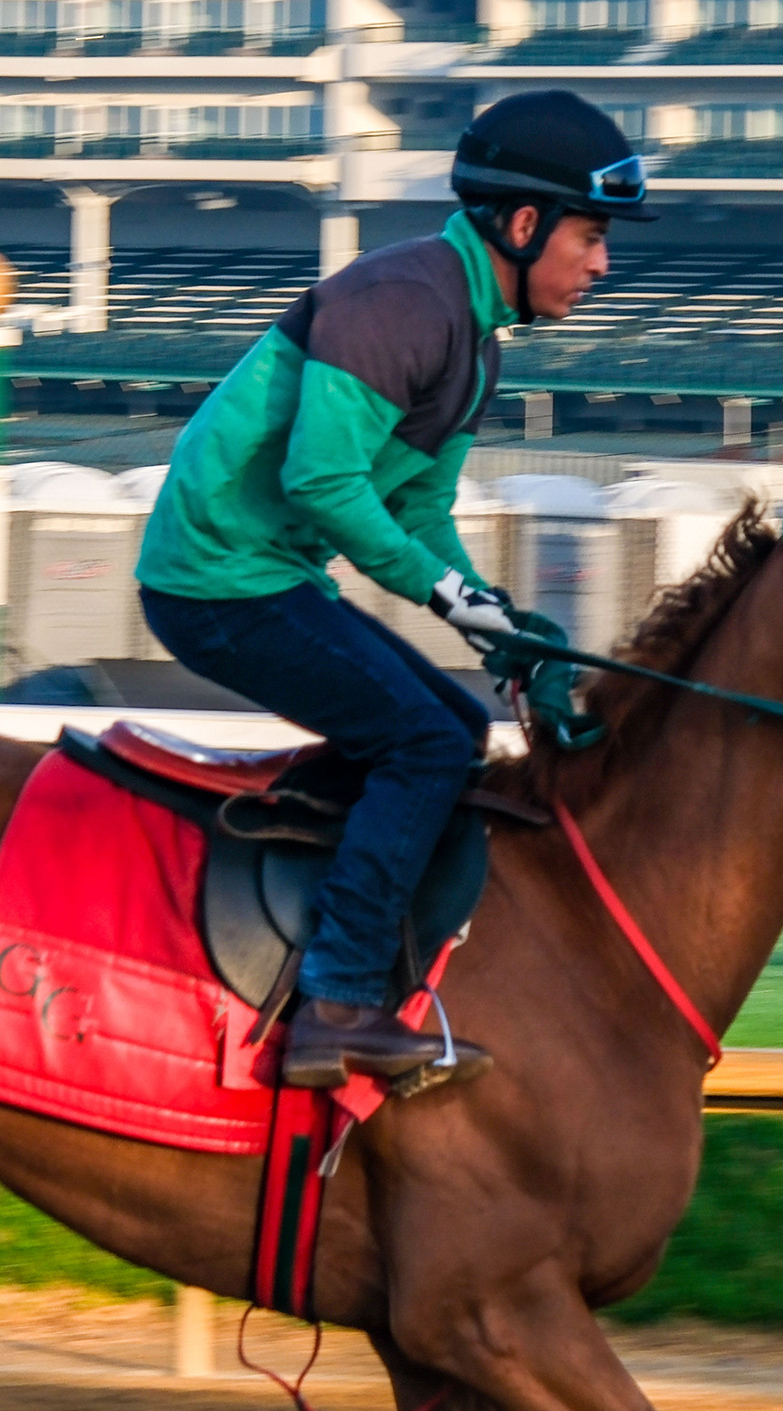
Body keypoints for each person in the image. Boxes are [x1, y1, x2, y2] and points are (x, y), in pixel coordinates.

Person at [135, 90, 657, 1090]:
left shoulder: (474, 339)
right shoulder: (408, 303)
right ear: (522, 223)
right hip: (217, 580)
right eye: (591, 237)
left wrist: (497, 621)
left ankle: (311, 895)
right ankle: (334, 1009)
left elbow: (418, 513)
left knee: (451, 731)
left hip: (268, 574)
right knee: (424, 741)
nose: (601, 264)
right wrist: (453, 603)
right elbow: (320, 482)